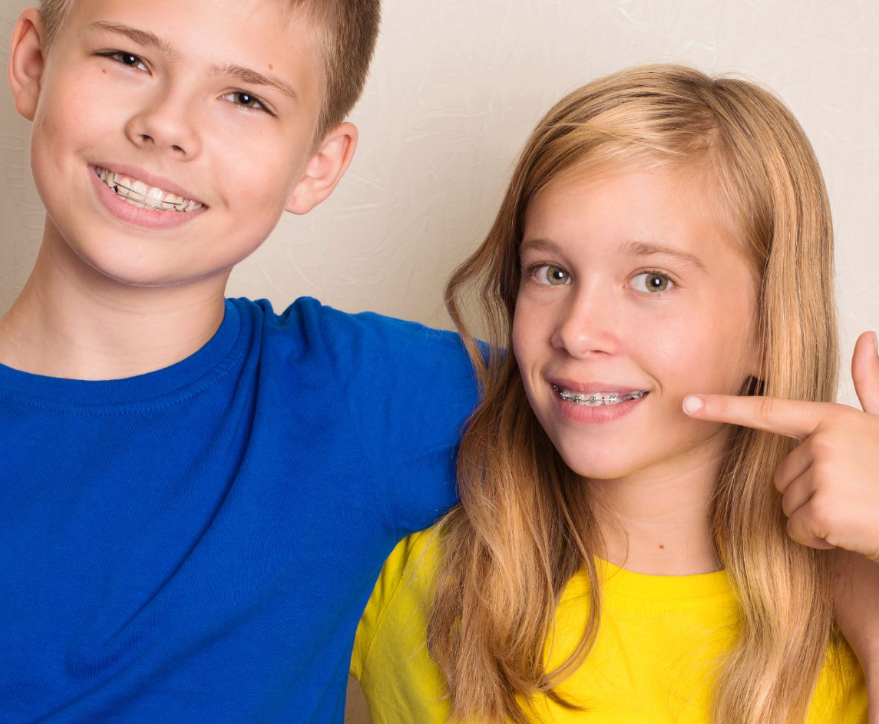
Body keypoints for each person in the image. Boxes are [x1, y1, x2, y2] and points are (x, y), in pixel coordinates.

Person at [0, 0, 480, 722]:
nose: (167, 126)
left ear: (318, 166)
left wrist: (810, 467)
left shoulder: (357, 399)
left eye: (244, 98)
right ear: (31, 61)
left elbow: (647, 402)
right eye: (127, 58)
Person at [351, 65, 879, 723]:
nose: (577, 330)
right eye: (552, 272)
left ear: (772, 331)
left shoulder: (849, 618)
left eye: (652, 281)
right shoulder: (411, 570)